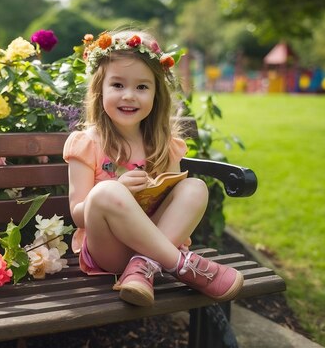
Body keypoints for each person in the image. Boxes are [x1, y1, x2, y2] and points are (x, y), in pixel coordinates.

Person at [63, 30, 243, 307]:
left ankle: (142, 267)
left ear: (157, 94)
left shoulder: (164, 145)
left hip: (154, 244)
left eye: (142, 87)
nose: (130, 96)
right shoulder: (86, 144)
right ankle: (184, 266)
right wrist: (118, 189)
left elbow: (172, 196)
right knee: (106, 192)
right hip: (108, 249)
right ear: (100, 90)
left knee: (194, 187)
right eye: (118, 85)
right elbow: (78, 215)